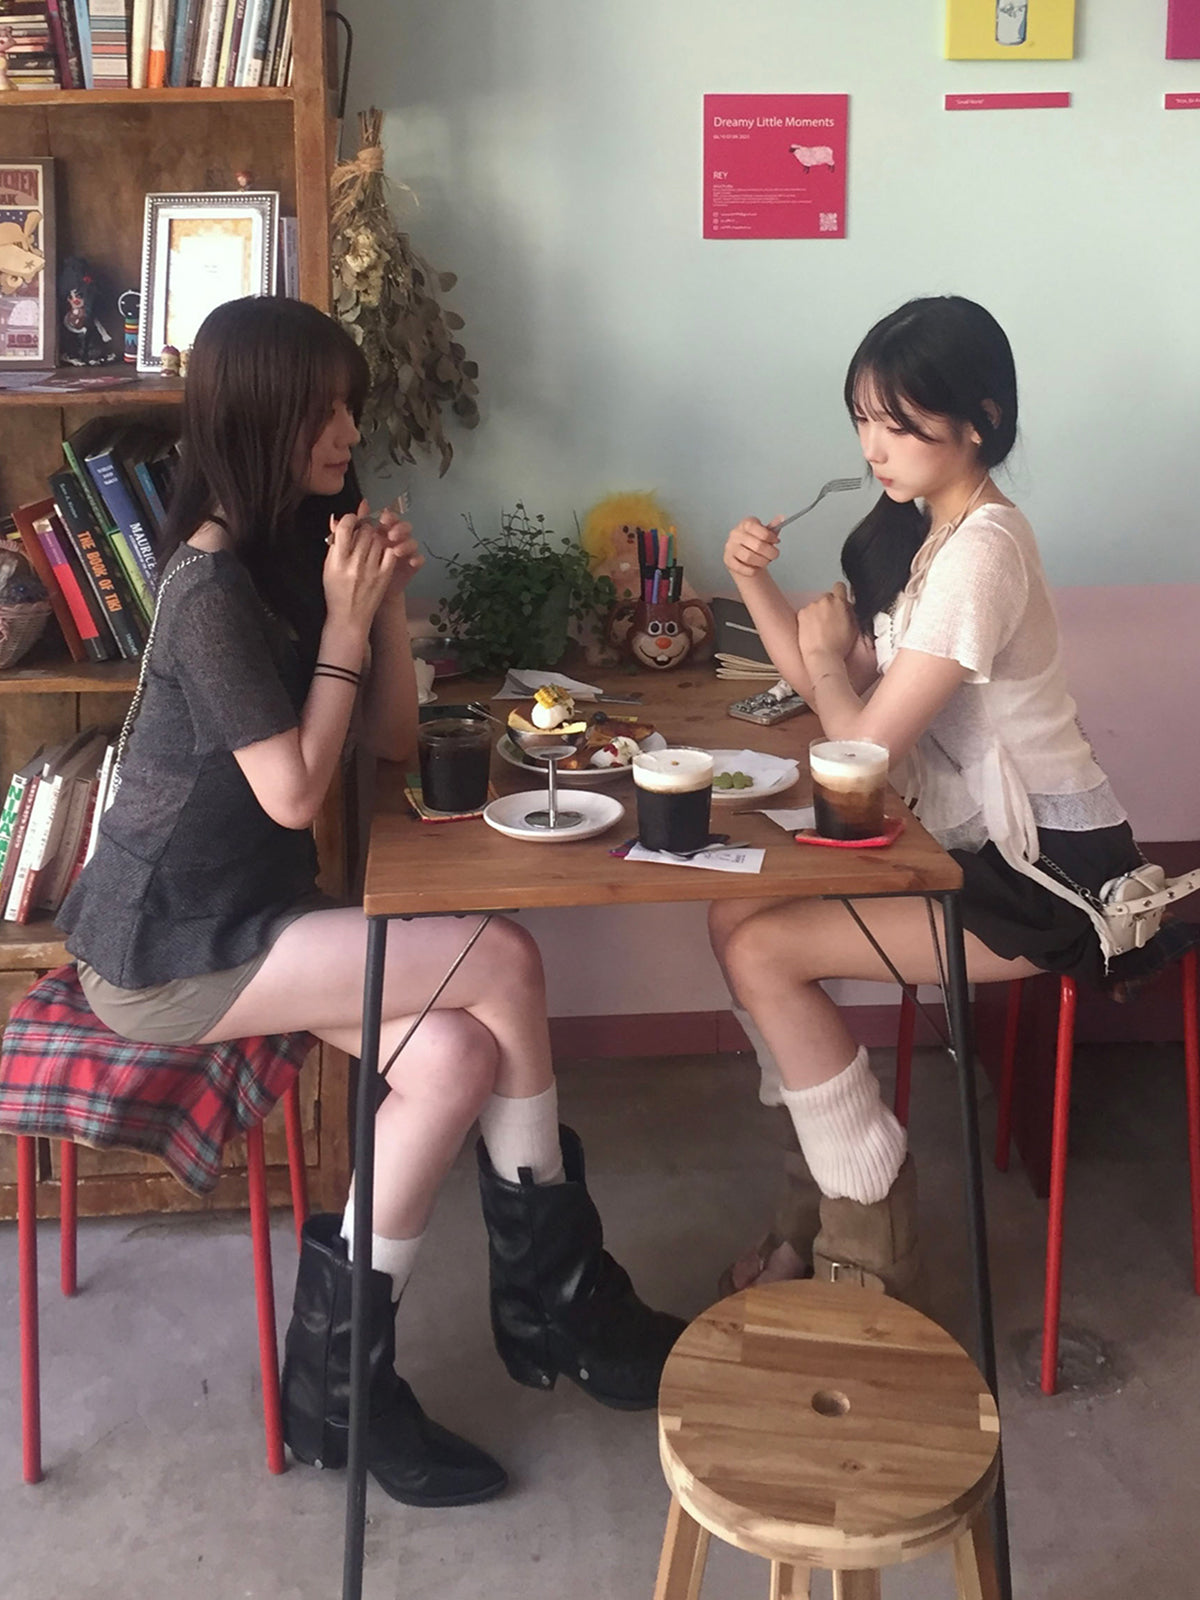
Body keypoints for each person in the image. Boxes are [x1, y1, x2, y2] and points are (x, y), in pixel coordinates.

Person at [58, 295, 682, 1508]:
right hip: (165, 948)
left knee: (453, 1057)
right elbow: (294, 790)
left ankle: (337, 1389)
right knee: (506, 958)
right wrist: (346, 620)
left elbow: (391, 738)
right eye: (323, 411)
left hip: (259, 917)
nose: (348, 430)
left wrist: (383, 604)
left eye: (350, 405)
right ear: (258, 421)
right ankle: (557, 1300)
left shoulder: (298, 546)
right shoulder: (207, 587)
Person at [710, 293, 1147, 1298]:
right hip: (971, 852)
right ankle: (819, 1185)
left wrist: (830, 664)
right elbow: (831, 684)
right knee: (733, 911)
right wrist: (758, 588)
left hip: (1049, 878)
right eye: (863, 419)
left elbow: (858, 746)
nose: (874, 445)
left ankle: (868, 1218)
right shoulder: (930, 541)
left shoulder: (981, 552)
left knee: (763, 951)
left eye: (898, 422)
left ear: (979, 420)